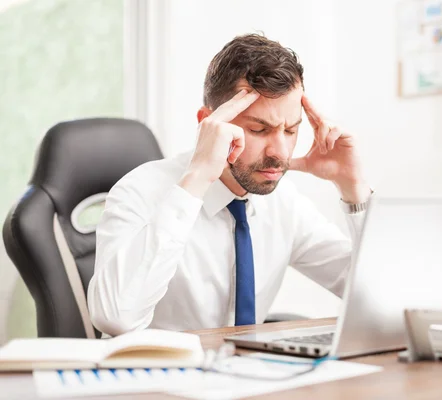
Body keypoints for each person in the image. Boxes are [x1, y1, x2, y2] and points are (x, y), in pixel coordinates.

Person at [87, 34, 372, 336]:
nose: (279, 152)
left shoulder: (284, 202)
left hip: (250, 376)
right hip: (158, 377)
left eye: (290, 130)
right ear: (207, 124)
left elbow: (376, 293)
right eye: (259, 129)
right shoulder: (139, 191)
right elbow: (116, 318)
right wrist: (197, 178)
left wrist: (354, 190)